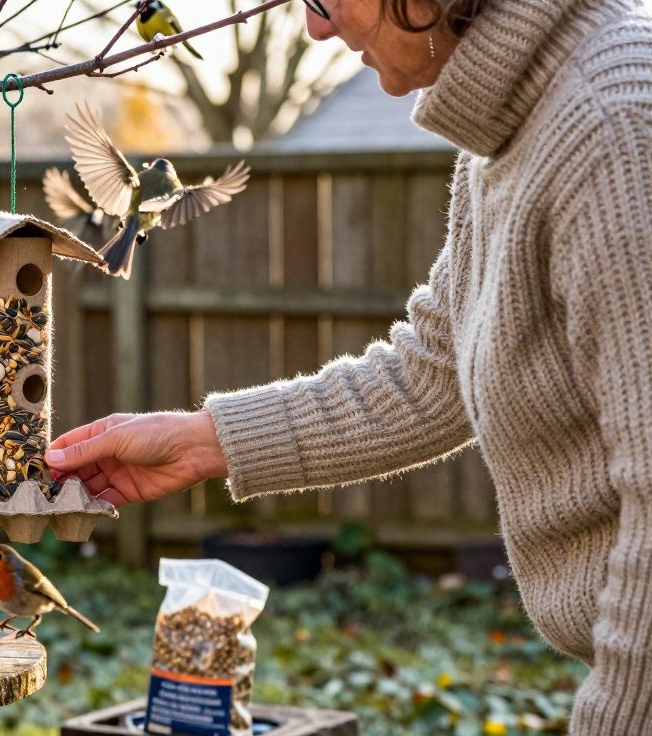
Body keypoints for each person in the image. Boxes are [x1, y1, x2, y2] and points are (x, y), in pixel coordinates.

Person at [46, 0, 652, 732]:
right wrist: (204, 440)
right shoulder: (513, 127)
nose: (315, 27)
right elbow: (429, 375)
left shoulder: (611, 125)